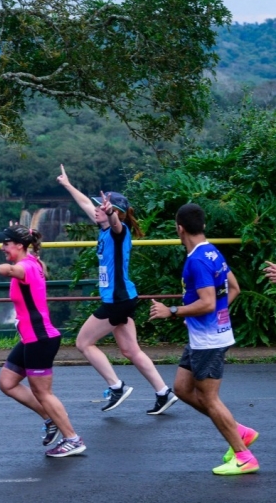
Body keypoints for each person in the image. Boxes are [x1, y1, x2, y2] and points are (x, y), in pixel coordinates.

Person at [57, 164, 177, 415]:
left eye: (101, 208)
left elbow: (115, 223)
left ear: (116, 213)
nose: (96, 210)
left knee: (83, 343)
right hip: (124, 298)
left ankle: (116, 386)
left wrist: (110, 212)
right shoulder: (103, 228)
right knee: (131, 350)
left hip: (117, 301)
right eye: (98, 208)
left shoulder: (118, 232)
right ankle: (163, 393)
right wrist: (68, 185)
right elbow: (85, 205)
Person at [149, 203, 259, 475]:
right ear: (203, 226)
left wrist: (172, 311)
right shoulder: (211, 252)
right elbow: (234, 288)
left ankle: (244, 457)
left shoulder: (197, 260)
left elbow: (208, 303)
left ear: (180, 229)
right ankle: (239, 431)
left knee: (209, 398)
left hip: (209, 341)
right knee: (183, 388)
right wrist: (205, 316)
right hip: (204, 336)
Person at [0, 224, 86, 458]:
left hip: (40, 339)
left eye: (6, 244)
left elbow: (11, 271)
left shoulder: (26, 266)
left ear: (19, 246)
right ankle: (50, 418)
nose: (1, 247)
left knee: (43, 393)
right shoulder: (33, 261)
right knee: (7, 382)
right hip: (31, 338)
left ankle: (72, 438)